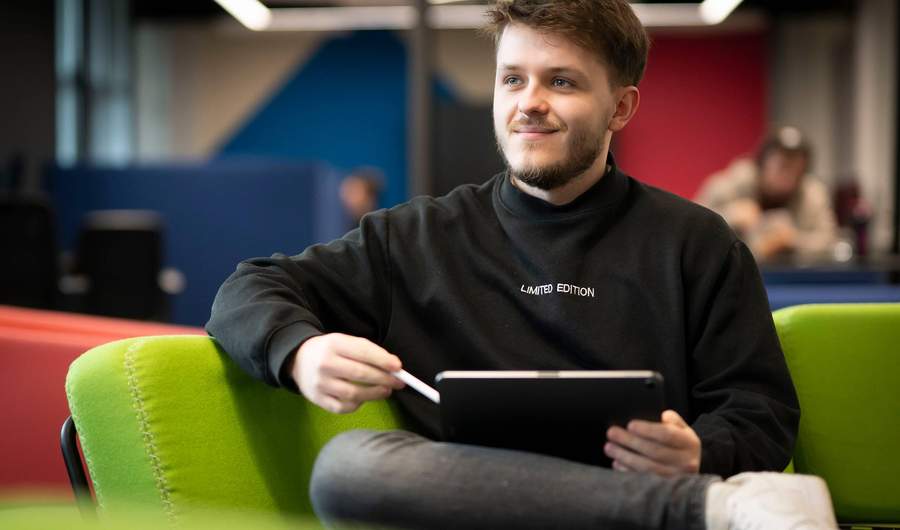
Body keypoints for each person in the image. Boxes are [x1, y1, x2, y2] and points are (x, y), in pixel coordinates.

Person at [207, 1, 838, 528]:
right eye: (513, 79)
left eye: (561, 82)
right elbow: (249, 287)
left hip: (634, 499)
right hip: (488, 506)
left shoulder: (697, 243)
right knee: (350, 467)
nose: (528, 102)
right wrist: (301, 351)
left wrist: (700, 450)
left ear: (620, 108)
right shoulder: (415, 237)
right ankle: (699, 511)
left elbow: (760, 411)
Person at [694, 127, 837, 261]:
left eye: (797, 169)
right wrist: (730, 215)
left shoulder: (812, 194)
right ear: (762, 163)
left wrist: (792, 240)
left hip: (791, 275)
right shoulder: (731, 184)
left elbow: (829, 240)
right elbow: (693, 227)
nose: (789, 176)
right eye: (782, 166)